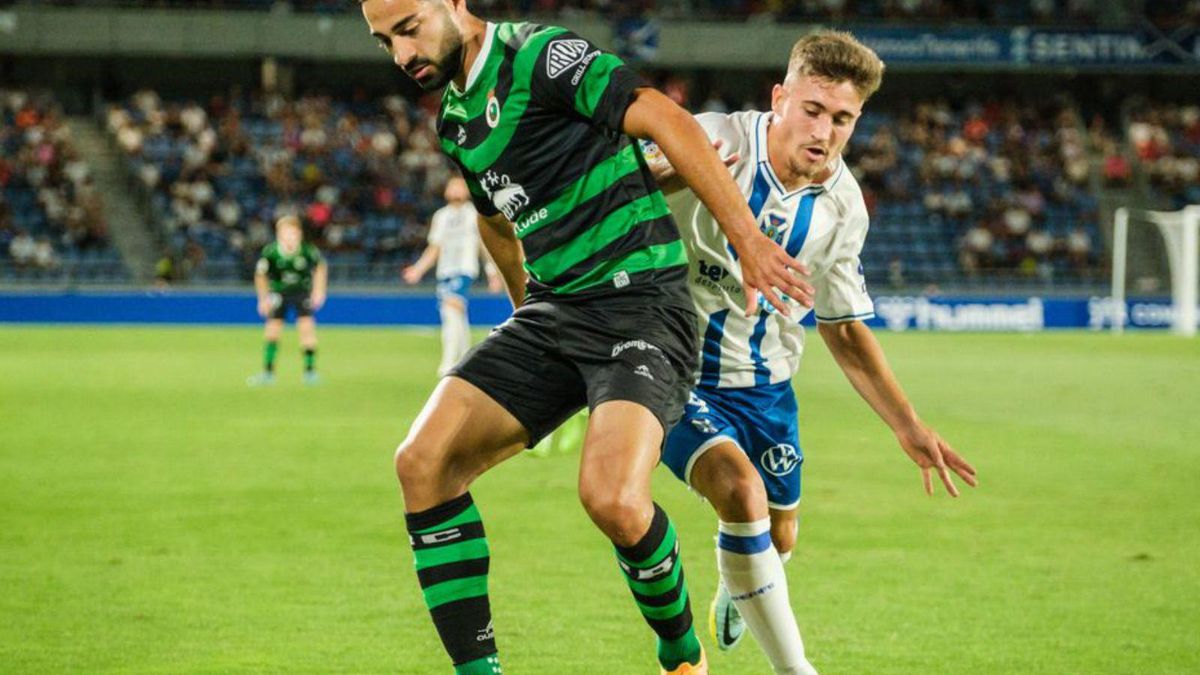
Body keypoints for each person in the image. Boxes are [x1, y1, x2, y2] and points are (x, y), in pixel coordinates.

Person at [358, 1, 813, 673]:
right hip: (554, 312)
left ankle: (682, 654)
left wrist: (748, 240)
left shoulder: (539, 57)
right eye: (383, 42)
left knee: (612, 498)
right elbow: (494, 219)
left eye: (408, 28)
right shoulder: (455, 118)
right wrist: (523, 315)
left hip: (643, 307)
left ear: (454, 3)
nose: (401, 56)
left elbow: (661, 115)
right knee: (421, 462)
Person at [647, 31, 978, 674]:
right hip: (670, 366)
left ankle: (740, 586)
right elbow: (603, 188)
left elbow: (844, 328)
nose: (825, 130)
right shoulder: (714, 139)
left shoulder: (844, 207)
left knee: (780, 534)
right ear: (780, 98)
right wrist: (650, 175)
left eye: (843, 118)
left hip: (766, 384)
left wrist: (908, 426)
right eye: (813, 110)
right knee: (740, 493)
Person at [403, 176, 502, 376]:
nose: (456, 190)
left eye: (460, 186)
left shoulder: (474, 214)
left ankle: (449, 363)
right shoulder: (441, 216)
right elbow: (435, 248)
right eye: (452, 186)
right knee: (455, 314)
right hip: (445, 270)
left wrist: (492, 272)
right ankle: (467, 358)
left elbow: (484, 246)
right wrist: (418, 269)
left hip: (464, 268)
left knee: (450, 309)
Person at [248, 216, 328, 386]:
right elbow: (260, 275)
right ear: (278, 234)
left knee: (306, 329)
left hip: (301, 293)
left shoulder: (307, 251)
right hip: (278, 293)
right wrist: (262, 299)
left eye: (292, 232)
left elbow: (320, 268)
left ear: (298, 234)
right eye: (284, 233)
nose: (288, 236)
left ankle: (310, 372)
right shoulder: (271, 252)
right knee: (272, 331)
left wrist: (319, 290)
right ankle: (268, 373)